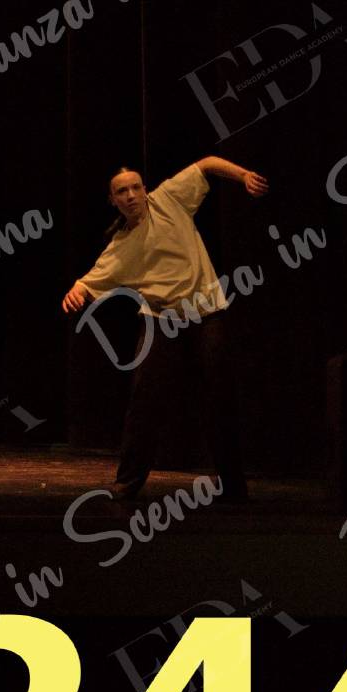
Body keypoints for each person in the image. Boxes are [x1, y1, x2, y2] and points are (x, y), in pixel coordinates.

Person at [61, 157, 267, 502]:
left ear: (145, 190)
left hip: (206, 313)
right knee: (145, 400)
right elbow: (90, 281)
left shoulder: (169, 198)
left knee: (218, 397)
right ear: (113, 200)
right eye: (121, 192)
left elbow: (207, 164)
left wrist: (243, 175)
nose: (130, 195)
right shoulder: (120, 246)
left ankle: (233, 485)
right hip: (161, 321)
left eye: (135, 188)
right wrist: (76, 291)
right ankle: (127, 482)